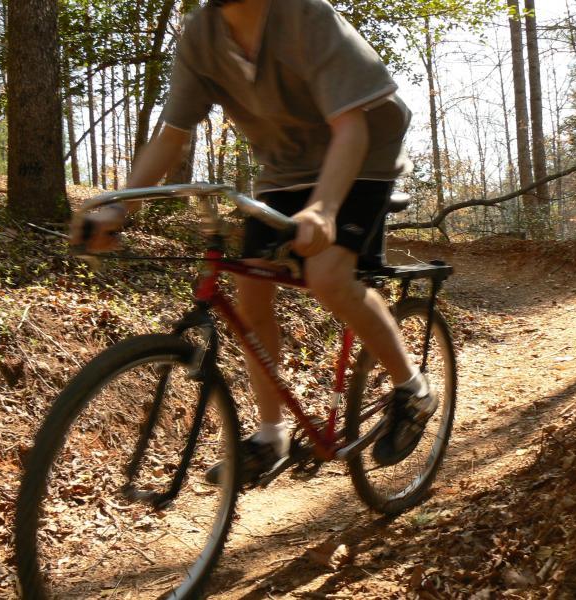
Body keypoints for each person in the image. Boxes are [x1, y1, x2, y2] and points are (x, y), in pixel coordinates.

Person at [72, 0, 437, 483]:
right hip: (285, 171)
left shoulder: (307, 18)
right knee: (250, 293)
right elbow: (172, 135)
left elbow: (351, 126)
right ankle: (272, 435)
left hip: (364, 153)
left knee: (328, 276)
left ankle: (412, 388)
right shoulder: (201, 36)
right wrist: (119, 206)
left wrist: (325, 208)